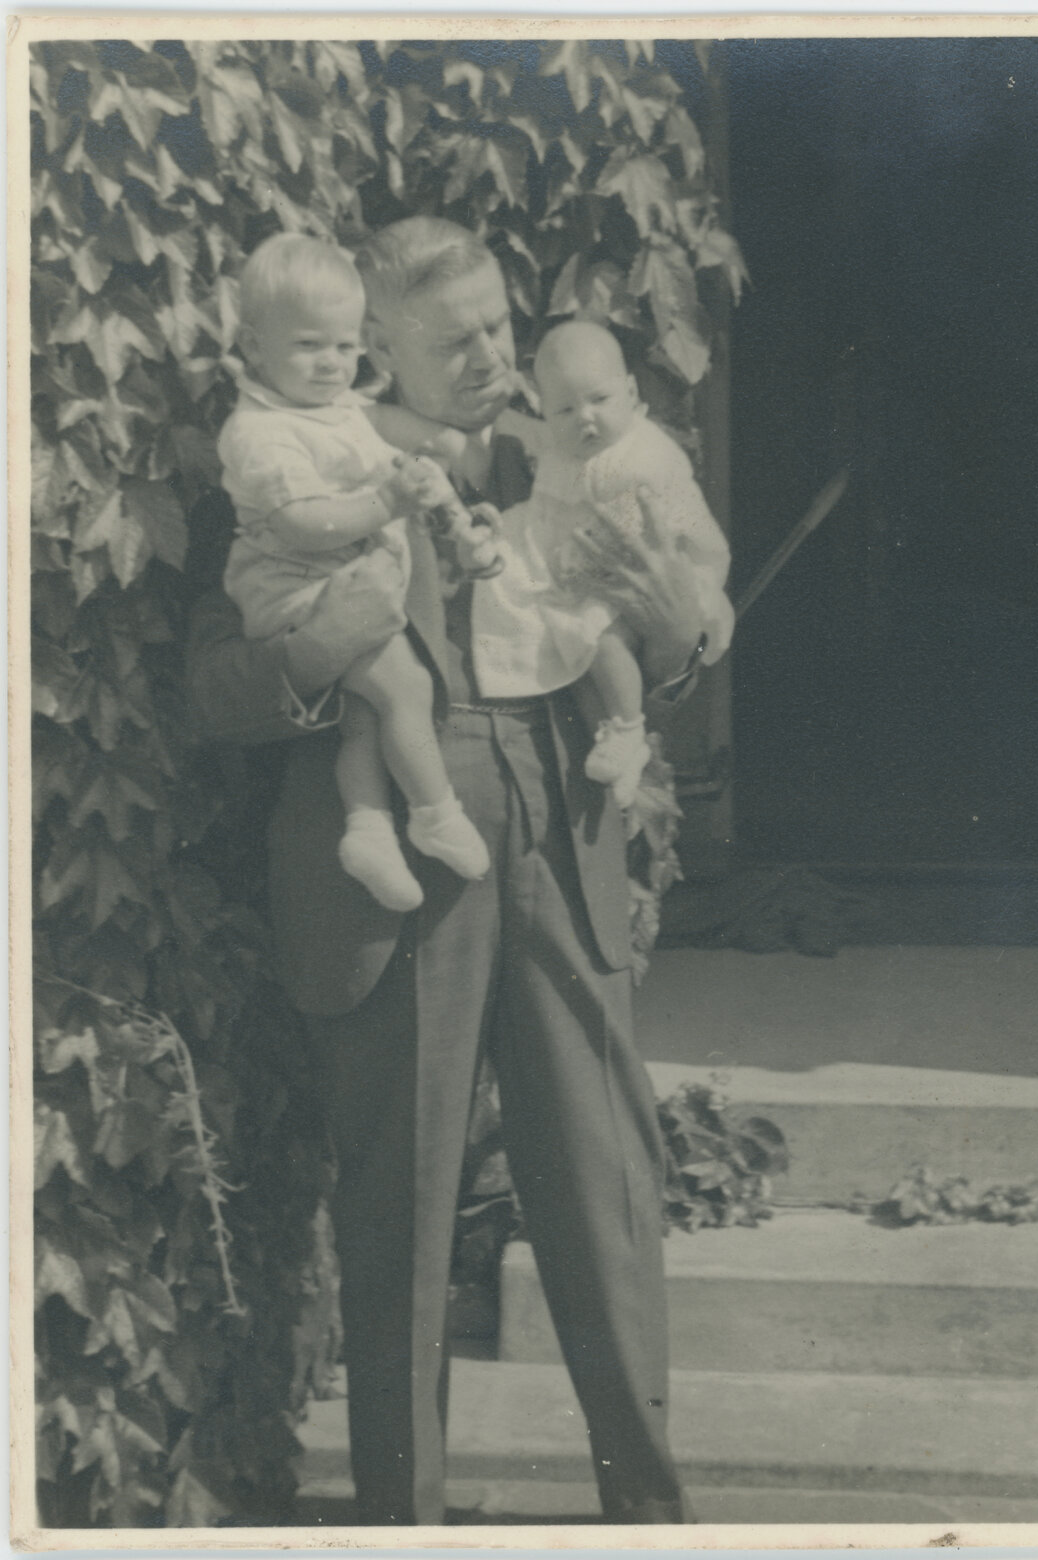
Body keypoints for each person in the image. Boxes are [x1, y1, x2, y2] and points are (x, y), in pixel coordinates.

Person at [186, 216, 712, 1526]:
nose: (491, 355)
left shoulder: (573, 445)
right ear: (381, 356)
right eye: (454, 341)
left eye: (496, 324)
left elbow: (674, 625)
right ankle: (401, 1523)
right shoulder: (307, 465)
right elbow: (211, 686)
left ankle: (648, 1513)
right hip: (399, 862)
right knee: (403, 1205)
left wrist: (676, 627)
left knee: (605, 1183)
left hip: (562, 821)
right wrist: (343, 638)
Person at [218, 233, 500, 912]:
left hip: (346, 586)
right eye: (310, 347)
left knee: (366, 719)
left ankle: (369, 828)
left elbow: (386, 423)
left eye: (344, 349)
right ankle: (435, 812)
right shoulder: (259, 433)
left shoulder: (337, 408)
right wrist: (385, 501)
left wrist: (450, 448)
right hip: (298, 593)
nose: (332, 366)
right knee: (400, 684)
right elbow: (300, 522)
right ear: (255, 348)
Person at [472, 319, 734, 808]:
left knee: (601, 638)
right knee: (581, 658)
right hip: (593, 577)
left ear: (631, 392)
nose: (584, 419)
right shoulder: (558, 453)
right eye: (565, 409)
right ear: (543, 409)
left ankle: (628, 728)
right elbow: (549, 516)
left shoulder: (642, 455)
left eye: (599, 400)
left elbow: (640, 532)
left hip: (649, 573)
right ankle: (618, 743)